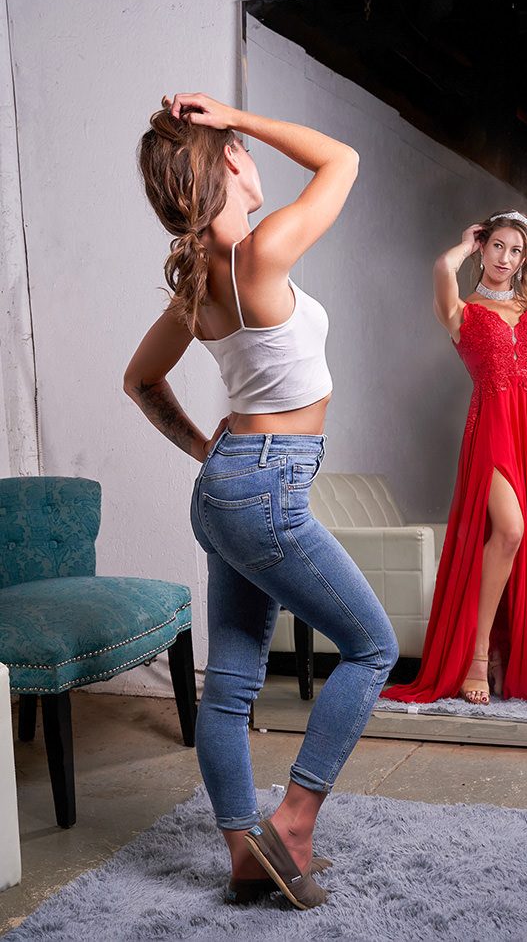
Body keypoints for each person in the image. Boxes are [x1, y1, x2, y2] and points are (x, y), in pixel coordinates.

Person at [124, 92, 398, 910]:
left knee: (230, 688)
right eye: (242, 147)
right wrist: (236, 112)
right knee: (374, 646)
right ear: (229, 164)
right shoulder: (263, 251)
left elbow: (141, 382)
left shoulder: (199, 283)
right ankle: (297, 819)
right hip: (269, 485)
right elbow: (342, 158)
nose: (253, 156)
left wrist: (212, 451)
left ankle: (246, 855)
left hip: (228, 487)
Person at [383, 212, 527, 709]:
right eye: (497, 246)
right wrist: (463, 245)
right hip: (493, 429)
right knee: (510, 530)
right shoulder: (461, 311)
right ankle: (478, 655)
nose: (506, 258)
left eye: (516, 251)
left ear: (525, 259)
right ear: (483, 248)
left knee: (522, 546)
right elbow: (441, 268)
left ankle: (504, 653)